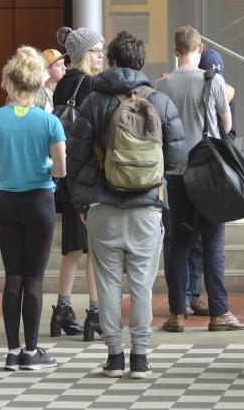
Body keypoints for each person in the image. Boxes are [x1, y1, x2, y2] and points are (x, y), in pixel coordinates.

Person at [68, 31, 187, 379]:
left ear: (113, 62)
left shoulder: (92, 102)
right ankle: (140, 357)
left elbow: (75, 160)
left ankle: (114, 357)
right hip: (146, 208)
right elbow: (178, 158)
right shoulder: (160, 101)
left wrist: (82, 202)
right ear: (141, 63)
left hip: (102, 208)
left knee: (106, 283)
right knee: (141, 283)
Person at [156, 25, 244, 332]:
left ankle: (176, 314)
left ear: (176, 51)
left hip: (175, 173)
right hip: (208, 173)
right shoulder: (213, 81)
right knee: (212, 243)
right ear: (200, 50)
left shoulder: (162, 84)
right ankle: (219, 313)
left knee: (178, 244)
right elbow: (226, 126)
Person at [0, 46, 67, 371]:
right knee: (34, 278)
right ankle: (32, 353)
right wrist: (44, 163)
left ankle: (11, 351)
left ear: (10, 81)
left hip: (6, 202)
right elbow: (60, 170)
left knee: (12, 277)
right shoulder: (49, 121)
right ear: (37, 83)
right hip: (39, 203)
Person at [49, 26, 104, 340]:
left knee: (72, 248)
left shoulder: (62, 84)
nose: (101, 56)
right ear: (84, 53)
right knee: (94, 250)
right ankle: (95, 313)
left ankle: (62, 309)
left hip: (67, 175)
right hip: (89, 175)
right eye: (97, 51)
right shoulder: (92, 84)